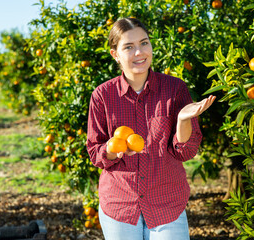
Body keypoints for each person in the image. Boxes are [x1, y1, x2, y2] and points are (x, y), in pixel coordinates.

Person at [86, 17, 216, 240]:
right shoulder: (102, 96)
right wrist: (111, 149)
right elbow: (95, 151)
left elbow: (185, 151)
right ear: (115, 54)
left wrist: (183, 120)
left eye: (144, 43)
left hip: (167, 203)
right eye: (129, 47)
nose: (139, 52)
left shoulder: (174, 89)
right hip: (121, 205)